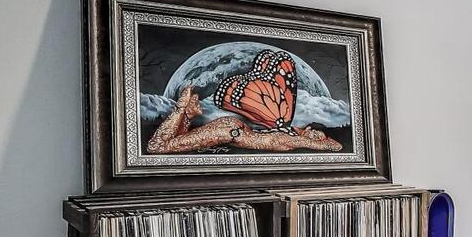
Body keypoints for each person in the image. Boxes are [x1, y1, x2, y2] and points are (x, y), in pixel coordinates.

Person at [146, 85, 343, 154]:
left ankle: (188, 112)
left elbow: (330, 145)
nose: (317, 137)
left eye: (318, 136)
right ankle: (183, 106)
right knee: (157, 147)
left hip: (230, 130)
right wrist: (319, 140)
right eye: (317, 134)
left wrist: (317, 138)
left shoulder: (291, 136)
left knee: (175, 141)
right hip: (229, 131)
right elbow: (331, 146)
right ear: (308, 130)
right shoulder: (293, 137)